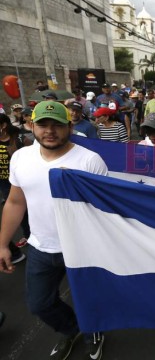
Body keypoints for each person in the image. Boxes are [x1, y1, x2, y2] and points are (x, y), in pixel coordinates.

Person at [0, 101, 108, 359]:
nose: (50, 131)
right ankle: (72, 329)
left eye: (57, 125)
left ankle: (94, 329)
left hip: (82, 248)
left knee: (90, 300)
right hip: (40, 247)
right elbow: (15, 202)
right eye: (43, 125)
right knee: (40, 304)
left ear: (69, 127)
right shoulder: (21, 158)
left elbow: (104, 210)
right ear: (31, 126)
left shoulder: (90, 161)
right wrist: (3, 244)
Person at [0, 114, 26, 264]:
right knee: (15, 209)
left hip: (19, 181)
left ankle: (30, 234)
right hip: (3, 181)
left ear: (3, 126)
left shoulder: (18, 139)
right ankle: (26, 234)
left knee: (26, 209)